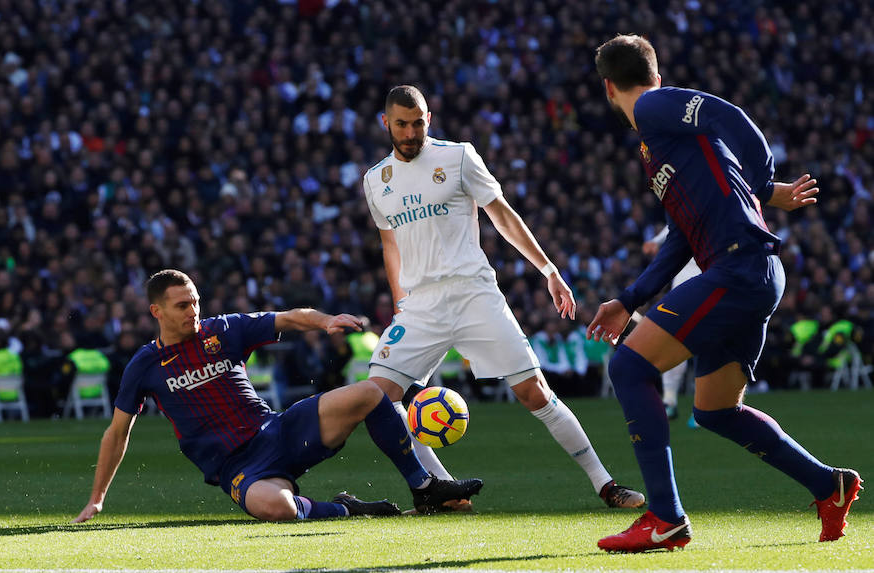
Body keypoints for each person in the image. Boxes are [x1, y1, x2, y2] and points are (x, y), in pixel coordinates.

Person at [589, 34, 861, 552]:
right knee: (715, 410)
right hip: (749, 273)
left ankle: (664, 517)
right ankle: (829, 485)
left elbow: (726, 114)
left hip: (737, 269)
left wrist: (763, 181)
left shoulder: (651, 106)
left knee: (628, 367)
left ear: (608, 87)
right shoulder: (660, 142)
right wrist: (629, 298)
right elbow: (680, 238)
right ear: (656, 71)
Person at [360, 85, 645, 510]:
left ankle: (606, 484)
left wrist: (548, 270)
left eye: (418, 122)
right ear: (386, 123)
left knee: (535, 394)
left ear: (429, 119)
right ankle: (441, 489)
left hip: (474, 293)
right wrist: (400, 301)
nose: (411, 131)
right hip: (421, 305)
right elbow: (391, 246)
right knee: (376, 399)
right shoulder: (375, 181)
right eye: (402, 123)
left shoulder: (457, 157)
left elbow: (502, 215)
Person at [73, 269, 482, 524]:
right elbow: (117, 432)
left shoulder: (222, 330)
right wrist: (98, 500)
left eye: (196, 301)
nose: (193, 311)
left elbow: (287, 317)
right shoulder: (145, 364)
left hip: (279, 430)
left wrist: (325, 321)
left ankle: (424, 488)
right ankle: (347, 509)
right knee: (277, 509)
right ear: (156, 312)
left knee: (370, 393)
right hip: (238, 466)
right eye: (182, 306)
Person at [642, 226, 701, 425]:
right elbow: (674, 223)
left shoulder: (718, 211)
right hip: (681, 294)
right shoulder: (686, 208)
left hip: (709, 293)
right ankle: (669, 402)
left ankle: (704, 408)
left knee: (706, 350)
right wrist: (656, 241)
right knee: (672, 347)